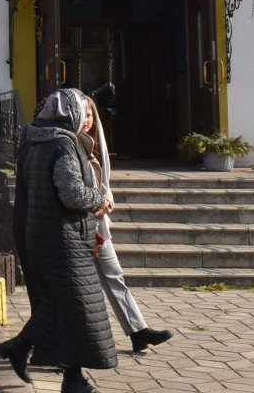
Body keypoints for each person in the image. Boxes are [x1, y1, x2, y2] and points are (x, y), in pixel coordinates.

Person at [0, 88, 116, 393]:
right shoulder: (63, 144)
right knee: (73, 303)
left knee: (67, 307)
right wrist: (98, 199)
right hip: (62, 240)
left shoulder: (33, 142)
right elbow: (71, 193)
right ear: (72, 114)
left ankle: (71, 378)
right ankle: (21, 346)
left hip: (41, 234)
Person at [80, 96, 173, 353]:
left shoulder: (95, 147)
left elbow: (104, 185)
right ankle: (33, 342)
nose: (87, 120)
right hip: (77, 226)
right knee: (70, 287)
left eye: (90, 115)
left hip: (98, 224)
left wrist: (107, 202)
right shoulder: (69, 146)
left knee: (114, 274)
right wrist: (95, 203)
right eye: (82, 114)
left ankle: (138, 330)